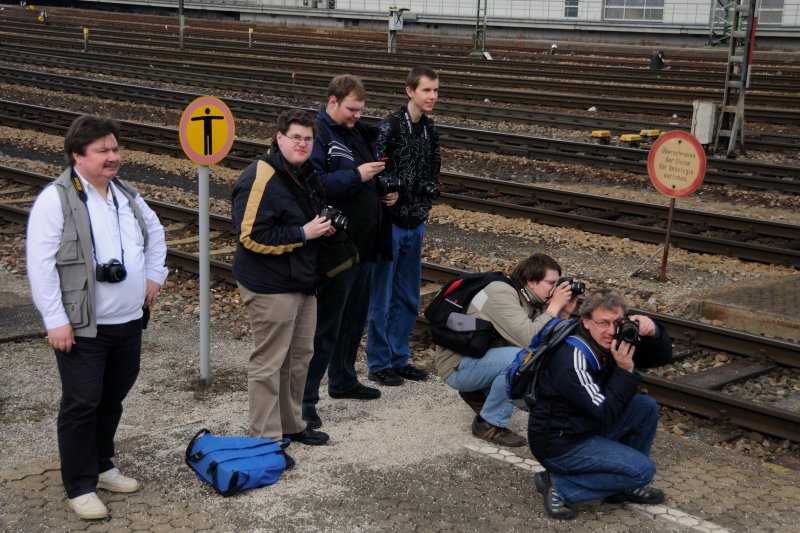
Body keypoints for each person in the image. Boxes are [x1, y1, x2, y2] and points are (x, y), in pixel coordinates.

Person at [26, 115, 168, 520]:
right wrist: (55, 320)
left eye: (115, 149)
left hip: (128, 321)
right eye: (103, 151)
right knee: (81, 404)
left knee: (111, 400)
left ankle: (103, 465)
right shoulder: (56, 199)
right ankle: (80, 484)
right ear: (77, 155)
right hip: (83, 326)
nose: (113, 157)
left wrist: (154, 276)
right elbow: (40, 265)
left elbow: (155, 235)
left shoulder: (126, 194)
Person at [231, 109, 334, 451]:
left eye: (308, 139)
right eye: (296, 138)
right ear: (279, 138)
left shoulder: (305, 172)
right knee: (269, 362)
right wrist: (304, 233)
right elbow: (250, 236)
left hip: (303, 280)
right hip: (269, 284)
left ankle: (291, 425)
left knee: (299, 356)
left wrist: (322, 227)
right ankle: (265, 440)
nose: (303, 145)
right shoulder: (259, 177)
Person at [301, 75, 398, 429]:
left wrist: (384, 192)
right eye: (351, 110)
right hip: (337, 247)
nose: (357, 116)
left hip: (365, 245)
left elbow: (364, 177)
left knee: (353, 318)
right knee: (327, 325)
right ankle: (306, 401)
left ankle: (342, 379)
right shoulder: (319, 136)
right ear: (332, 102)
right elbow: (317, 184)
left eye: (360, 110)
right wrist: (357, 176)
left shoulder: (354, 132)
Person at [528, 288, 673, 520]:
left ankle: (623, 485)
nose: (611, 330)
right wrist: (625, 370)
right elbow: (606, 413)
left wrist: (654, 331)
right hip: (560, 444)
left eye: (617, 322)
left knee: (645, 407)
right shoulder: (573, 359)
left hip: (585, 425)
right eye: (603, 323)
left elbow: (662, 358)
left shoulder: (615, 339)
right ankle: (559, 485)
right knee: (643, 471)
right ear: (586, 322)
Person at [434, 253, 578, 447]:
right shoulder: (500, 293)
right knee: (522, 359)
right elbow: (529, 340)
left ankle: (478, 393)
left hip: (478, 358)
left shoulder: (531, 299)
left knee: (534, 358)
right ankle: (488, 424)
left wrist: (563, 313)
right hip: (456, 366)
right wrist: (553, 308)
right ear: (531, 282)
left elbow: (547, 342)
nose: (555, 290)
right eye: (551, 283)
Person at [366, 65, 440, 387]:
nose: (433, 96)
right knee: (381, 296)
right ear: (410, 91)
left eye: (436, 91)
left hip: (415, 222)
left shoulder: (429, 129)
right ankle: (379, 362)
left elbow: (434, 171)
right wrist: (391, 187)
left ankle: (399, 358)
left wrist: (424, 207)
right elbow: (374, 170)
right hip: (390, 224)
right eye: (427, 90)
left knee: (408, 295)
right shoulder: (390, 127)